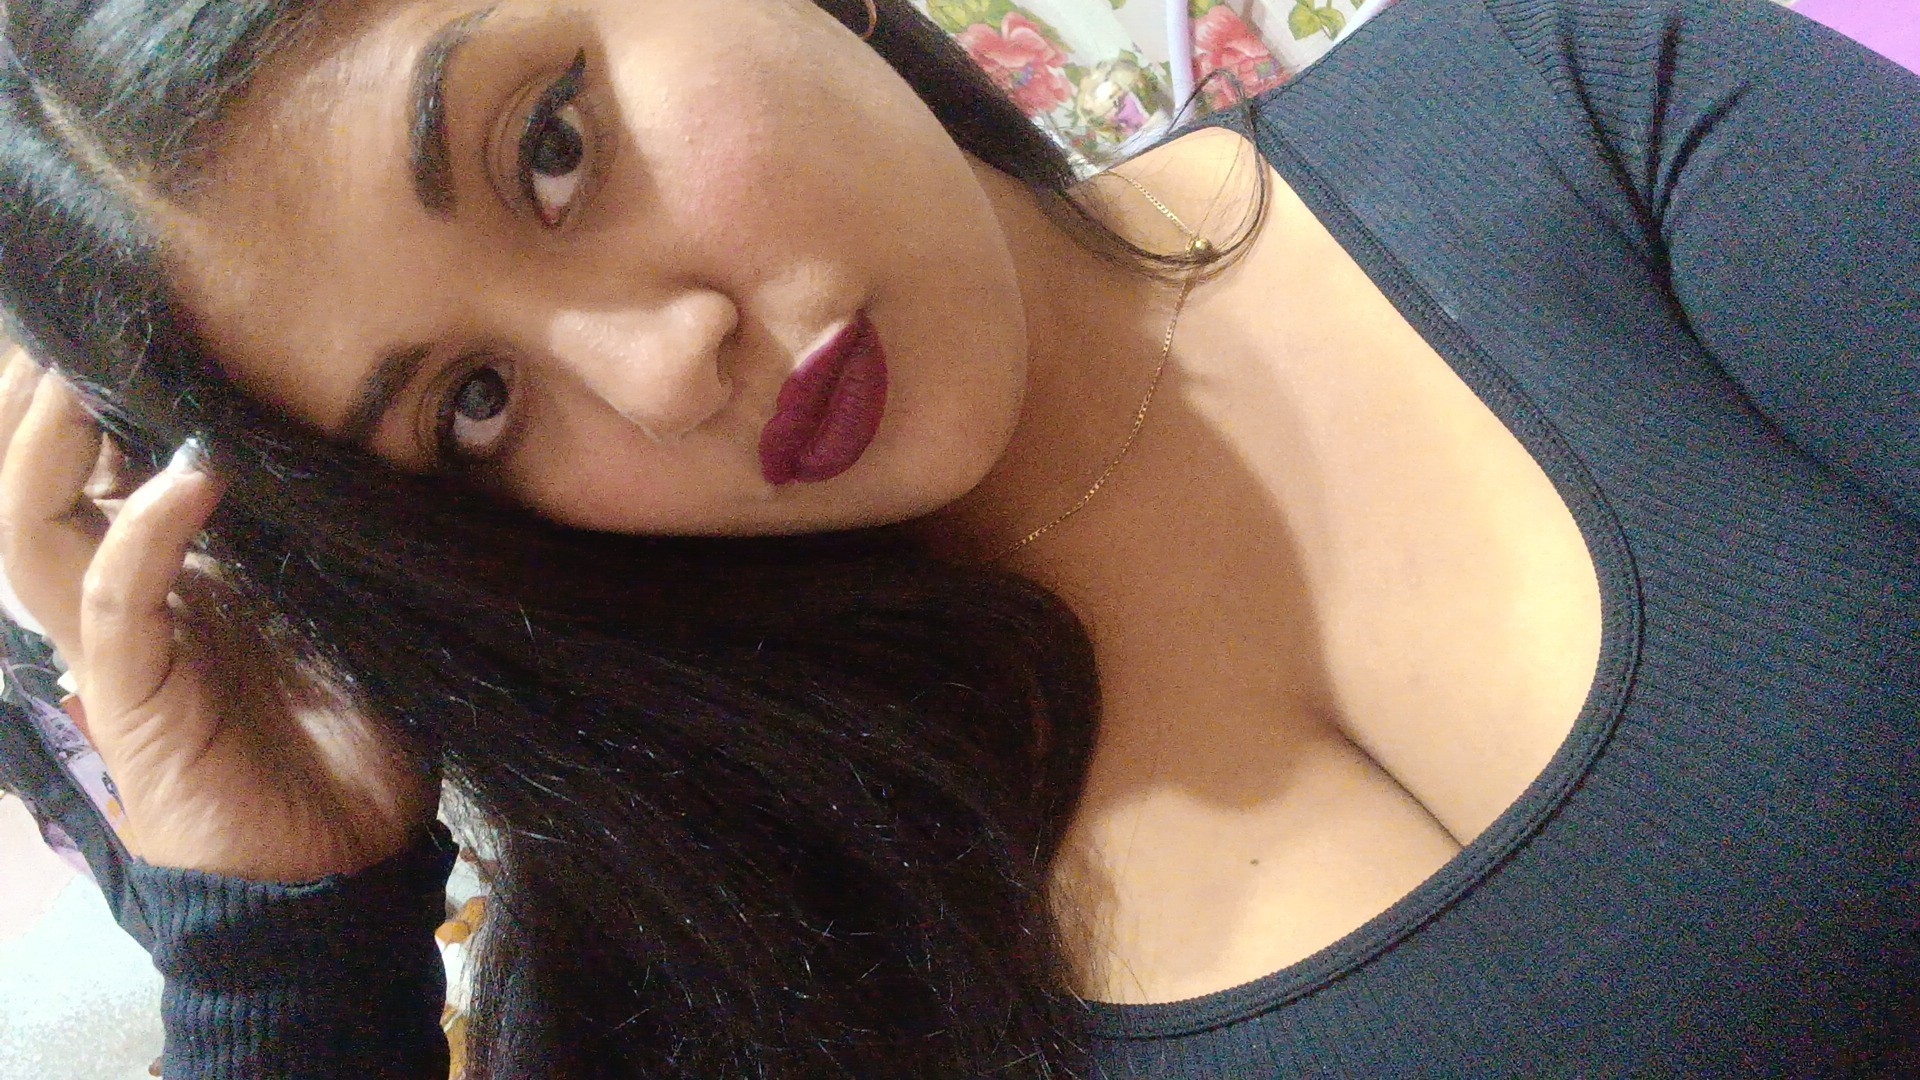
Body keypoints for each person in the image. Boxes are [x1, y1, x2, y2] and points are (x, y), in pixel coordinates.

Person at [0, 0, 1913, 1075]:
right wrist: (282, 950)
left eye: (552, 147)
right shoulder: (703, 939)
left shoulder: (1571, 102)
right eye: (472, 405)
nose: (661, 372)